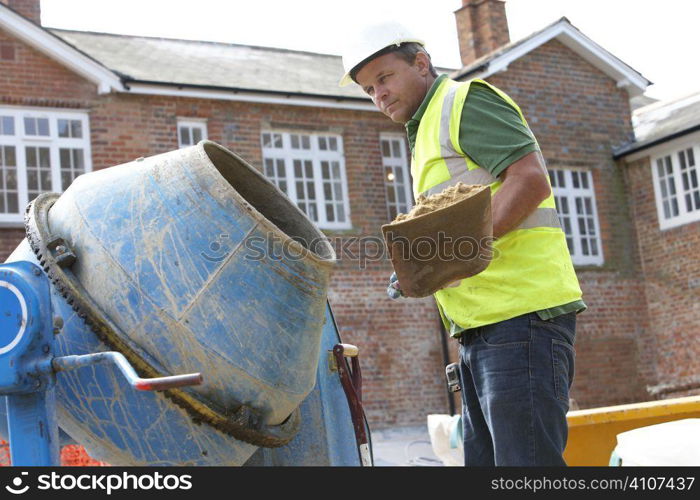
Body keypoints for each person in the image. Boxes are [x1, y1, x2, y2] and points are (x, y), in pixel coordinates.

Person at [340, 22, 586, 466]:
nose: (378, 95)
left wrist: (449, 256)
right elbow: (461, 224)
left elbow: (530, 180)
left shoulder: (464, 102)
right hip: (483, 330)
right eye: (367, 89)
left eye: (385, 78)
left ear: (421, 63)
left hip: (521, 317)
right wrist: (425, 266)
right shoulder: (424, 133)